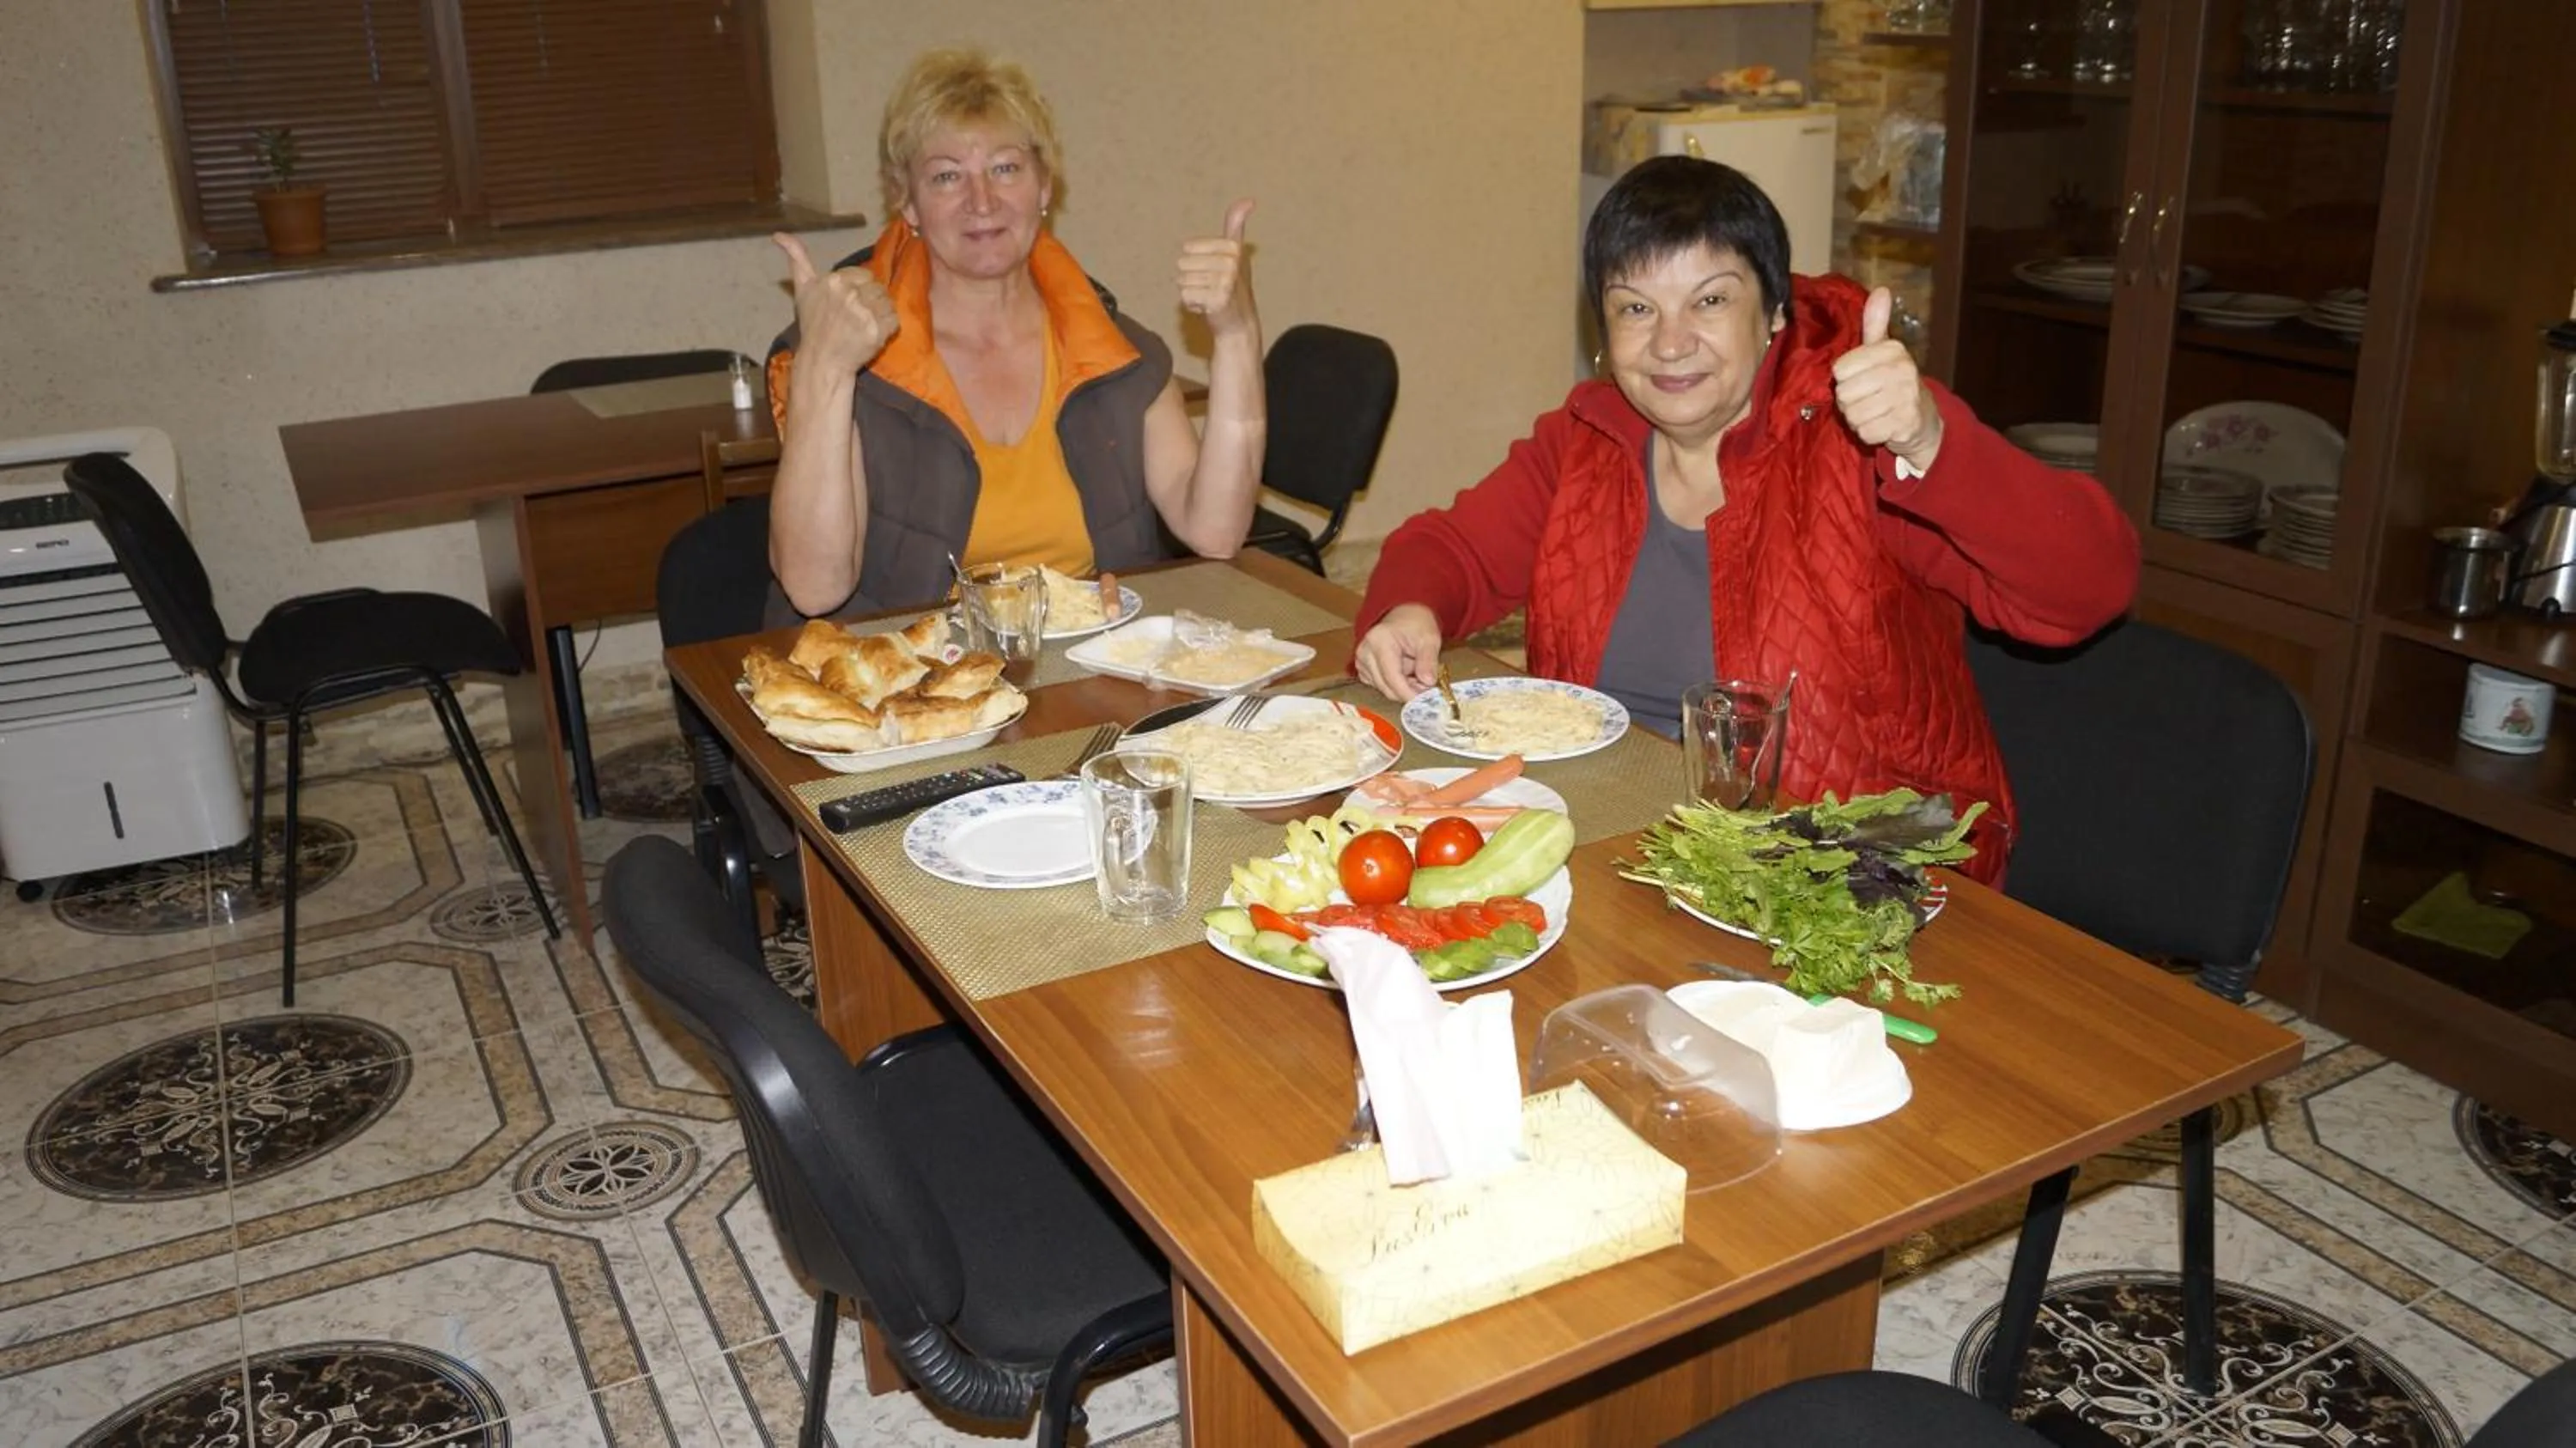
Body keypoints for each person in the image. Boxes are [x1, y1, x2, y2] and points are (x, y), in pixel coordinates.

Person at [1352, 155, 2140, 879]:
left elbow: (2088, 589)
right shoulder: (1587, 441)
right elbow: (1449, 548)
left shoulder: (1859, 442)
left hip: (1858, 873)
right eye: (1636, 308)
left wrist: (1931, 443)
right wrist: (1412, 608)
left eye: (1710, 301)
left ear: (1773, 313)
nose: (1671, 344)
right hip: (1626, 843)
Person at [763, 47, 1264, 622]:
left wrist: (1237, 335)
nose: (982, 202)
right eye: (947, 176)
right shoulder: (854, 357)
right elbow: (814, 588)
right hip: (905, 667)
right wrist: (825, 368)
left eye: (1005, 168)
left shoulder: (1113, 351)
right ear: (908, 203)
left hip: (1086, 663)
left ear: (1045, 186)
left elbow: (1216, 531)